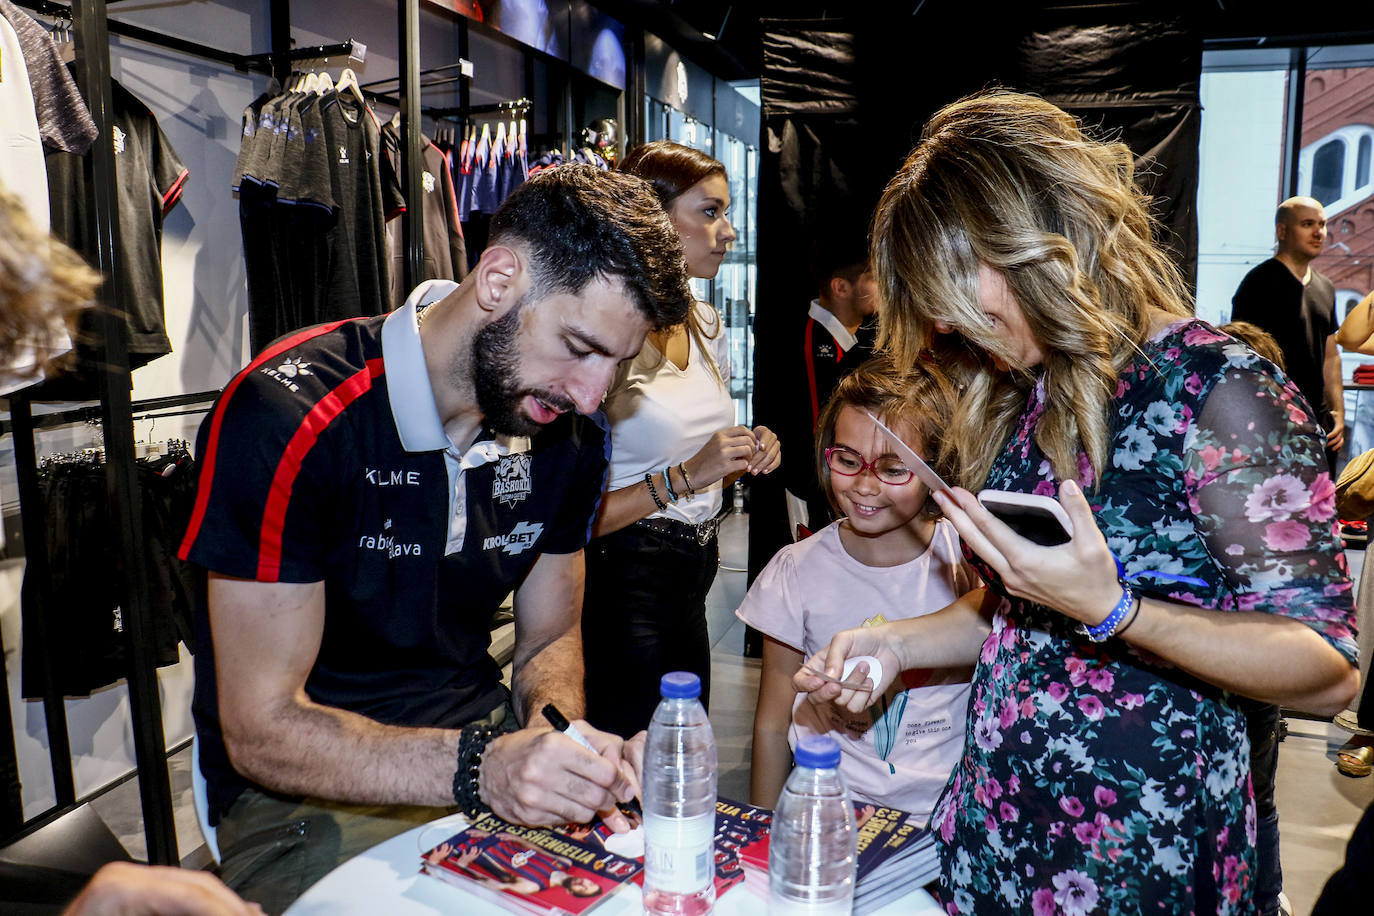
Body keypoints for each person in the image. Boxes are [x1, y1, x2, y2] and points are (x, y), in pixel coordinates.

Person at [795, 90, 1359, 916]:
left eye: (958, 290)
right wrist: (892, 648)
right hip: (998, 834)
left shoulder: (1221, 390)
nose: (950, 325)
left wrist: (1121, 612)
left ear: (1030, 244)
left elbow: (1327, 671)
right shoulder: (1040, 386)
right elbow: (1026, 606)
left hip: (1139, 857)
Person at [176, 165, 693, 912]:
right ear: (499, 279)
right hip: (303, 796)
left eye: (616, 366)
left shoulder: (571, 437)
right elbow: (262, 729)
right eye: (578, 347)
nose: (590, 394)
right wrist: (484, 769)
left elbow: (548, 641)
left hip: (477, 748)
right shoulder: (289, 416)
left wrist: (564, 744)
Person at [579, 140, 780, 738]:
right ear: (654, 215)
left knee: (682, 753)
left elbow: (699, 448)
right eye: (710, 212)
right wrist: (687, 476)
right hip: (622, 581)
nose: (729, 231)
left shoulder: (705, 321)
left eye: (726, 212)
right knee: (630, 764)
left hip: (694, 575)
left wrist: (748, 449)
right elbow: (569, 517)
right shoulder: (605, 334)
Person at [738, 357, 976, 819]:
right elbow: (771, 723)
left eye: (893, 469)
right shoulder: (795, 570)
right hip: (831, 810)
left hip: (945, 816)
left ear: (935, 469)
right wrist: (760, 833)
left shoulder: (965, 560)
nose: (865, 486)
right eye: (848, 461)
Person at [1231, 196, 1345, 468]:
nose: (1319, 232)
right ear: (1282, 231)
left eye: (1322, 224)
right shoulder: (1257, 283)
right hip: (1272, 420)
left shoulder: (1326, 287)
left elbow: (1331, 356)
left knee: (1318, 504)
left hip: (1318, 423)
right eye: (1308, 224)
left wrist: (1338, 412)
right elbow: (1241, 357)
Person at [781, 246, 880, 538]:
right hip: (817, 487)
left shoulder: (864, 336)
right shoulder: (810, 337)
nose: (882, 287)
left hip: (851, 480)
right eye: (873, 278)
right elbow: (817, 424)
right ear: (841, 287)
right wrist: (831, 491)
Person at [443, 830, 604, 898]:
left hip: (468, 849)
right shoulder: (564, 862)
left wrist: (462, 865)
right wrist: (515, 838)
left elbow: (493, 885)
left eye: (582, 889)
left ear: (570, 892)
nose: (583, 884)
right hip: (490, 837)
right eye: (588, 884)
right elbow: (536, 848)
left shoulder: (532, 886)